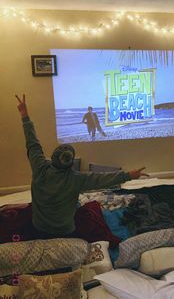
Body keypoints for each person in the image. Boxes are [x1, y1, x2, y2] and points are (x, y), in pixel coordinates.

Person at [15, 94, 148, 239]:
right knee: (84, 209)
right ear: (71, 162)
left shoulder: (39, 167)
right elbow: (101, 179)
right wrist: (128, 175)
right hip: (65, 231)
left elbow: (32, 143)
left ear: (52, 158)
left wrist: (24, 115)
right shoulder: (76, 179)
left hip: (39, 227)